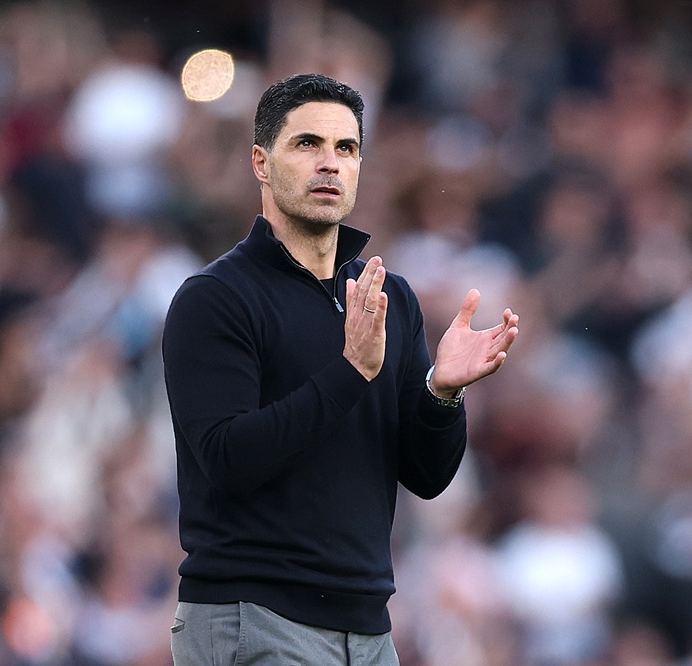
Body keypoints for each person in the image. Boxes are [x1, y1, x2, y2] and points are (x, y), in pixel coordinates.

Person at [162, 73, 519, 665]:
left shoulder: (388, 298)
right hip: (255, 617)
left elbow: (426, 478)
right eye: (307, 144)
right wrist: (350, 372)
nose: (330, 163)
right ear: (260, 161)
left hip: (370, 631)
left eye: (346, 148)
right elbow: (228, 459)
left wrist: (442, 395)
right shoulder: (216, 298)